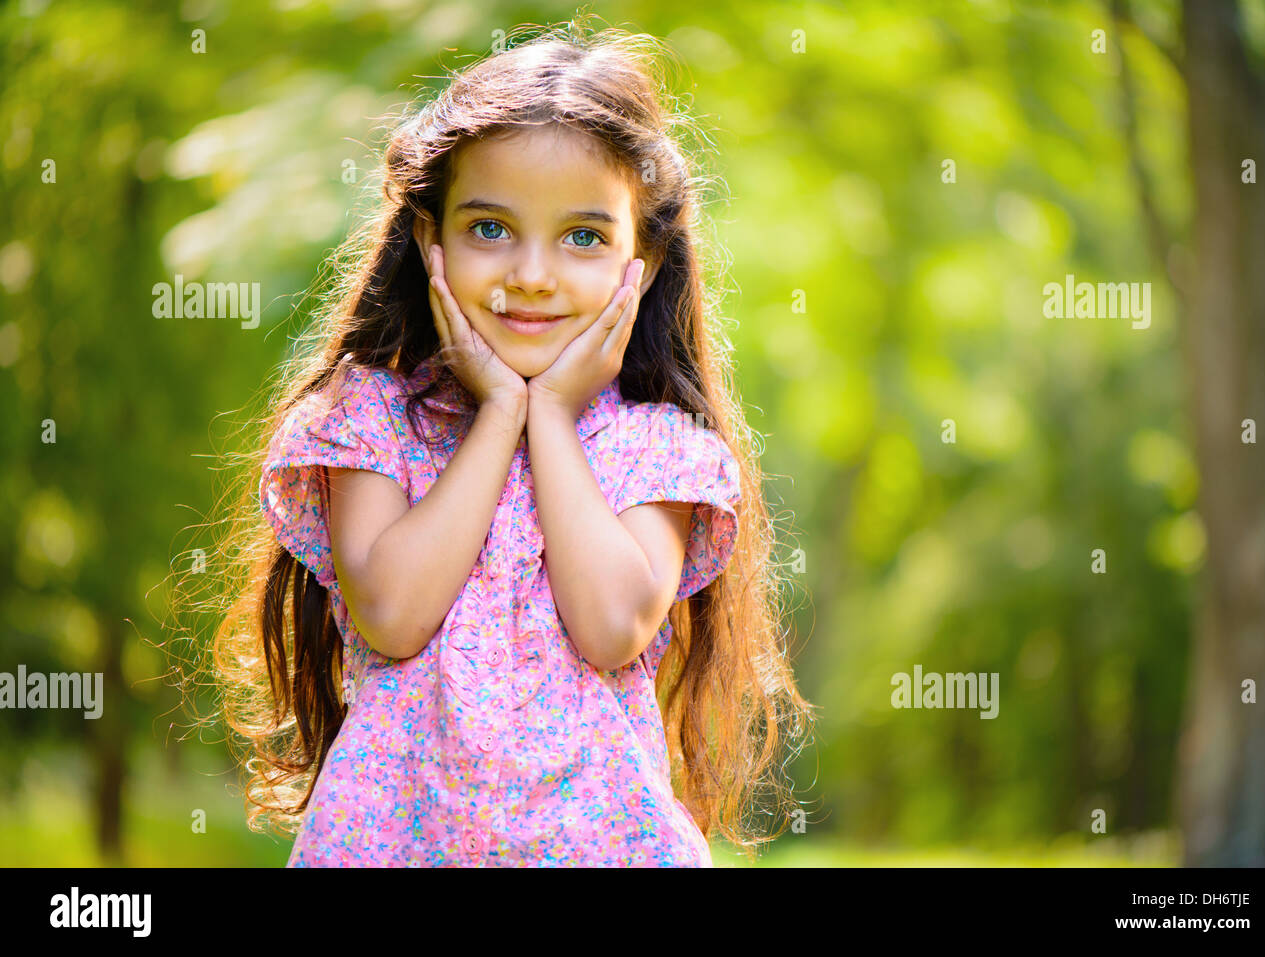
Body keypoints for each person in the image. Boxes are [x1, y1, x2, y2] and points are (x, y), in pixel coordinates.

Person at [213, 21, 815, 866]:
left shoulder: (657, 447)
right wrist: (500, 412)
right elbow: (391, 612)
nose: (531, 274)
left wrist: (554, 421)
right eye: (490, 228)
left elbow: (612, 625)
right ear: (432, 242)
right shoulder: (371, 418)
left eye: (582, 237)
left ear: (636, 266)